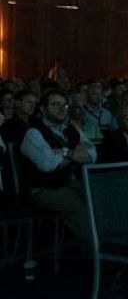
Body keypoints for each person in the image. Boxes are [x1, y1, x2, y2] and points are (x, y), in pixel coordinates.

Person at [20, 90, 96, 243]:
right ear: (42, 108)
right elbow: (49, 165)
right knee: (79, 207)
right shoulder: (33, 133)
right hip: (43, 189)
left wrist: (64, 152)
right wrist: (73, 153)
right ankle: (102, 257)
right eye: (55, 105)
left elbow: (92, 155)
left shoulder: (71, 130)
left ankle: (114, 249)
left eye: (64, 105)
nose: (62, 109)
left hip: (69, 183)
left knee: (100, 199)